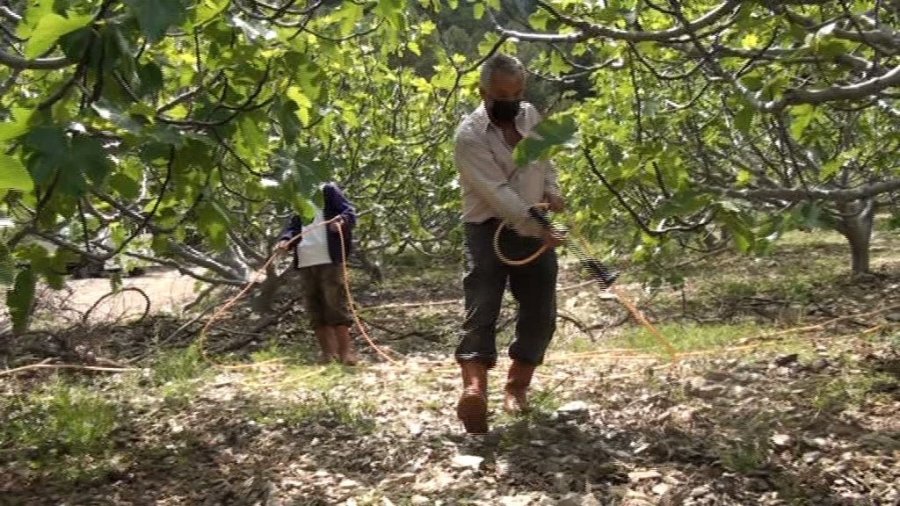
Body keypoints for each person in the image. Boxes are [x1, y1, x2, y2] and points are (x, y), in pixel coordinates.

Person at [452, 53, 566, 434]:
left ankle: (517, 389)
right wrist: (539, 227)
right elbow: (498, 193)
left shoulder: (531, 116)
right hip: (487, 230)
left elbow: (545, 160)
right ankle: (474, 391)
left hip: (535, 225)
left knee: (541, 310)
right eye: (502, 95)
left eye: (517, 93)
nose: (511, 101)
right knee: (481, 306)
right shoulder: (469, 136)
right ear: (483, 91)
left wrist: (552, 191)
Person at [277, 182, 359, 365]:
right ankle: (327, 354)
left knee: (335, 304)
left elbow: (349, 213)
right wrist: (286, 240)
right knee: (314, 307)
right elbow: (295, 225)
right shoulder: (298, 193)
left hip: (329, 259)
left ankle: (345, 353)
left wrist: (341, 222)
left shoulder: (327, 189)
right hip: (306, 259)